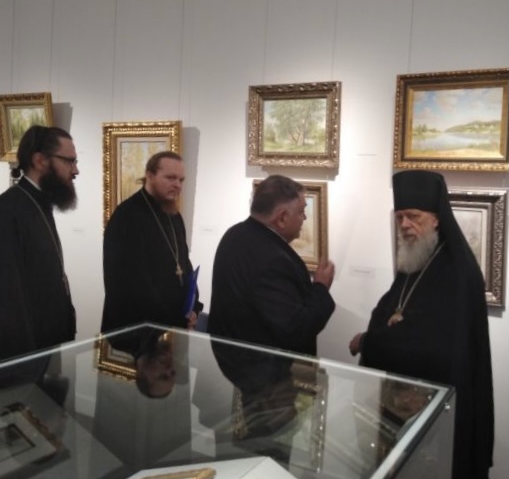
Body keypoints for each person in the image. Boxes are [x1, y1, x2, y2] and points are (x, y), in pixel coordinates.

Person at [349, 170, 494, 479]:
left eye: (413, 216)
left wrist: (371, 343)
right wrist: (377, 335)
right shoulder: (415, 262)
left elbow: (434, 347)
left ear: (436, 219)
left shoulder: (457, 272)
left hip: (442, 412)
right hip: (403, 408)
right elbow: (392, 313)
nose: (405, 225)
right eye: (400, 217)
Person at [208, 174, 335, 390]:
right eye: (301, 211)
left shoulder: (234, 234)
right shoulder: (273, 259)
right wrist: (321, 287)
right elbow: (297, 329)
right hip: (266, 378)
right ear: (282, 218)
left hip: (235, 367)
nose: (304, 217)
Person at [101, 151, 202, 333]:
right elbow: (131, 285)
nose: (177, 185)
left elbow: (183, 264)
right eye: (170, 178)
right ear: (149, 176)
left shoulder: (174, 216)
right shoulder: (127, 217)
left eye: (181, 180)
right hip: (136, 330)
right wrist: (175, 319)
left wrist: (193, 307)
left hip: (171, 325)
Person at [0, 125, 78, 360]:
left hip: (49, 343)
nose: (76, 170)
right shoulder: (8, 210)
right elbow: (9, 297)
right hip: (26, 353)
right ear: (40, 161)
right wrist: (24, 363)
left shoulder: (39, 202)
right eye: (69, 161)